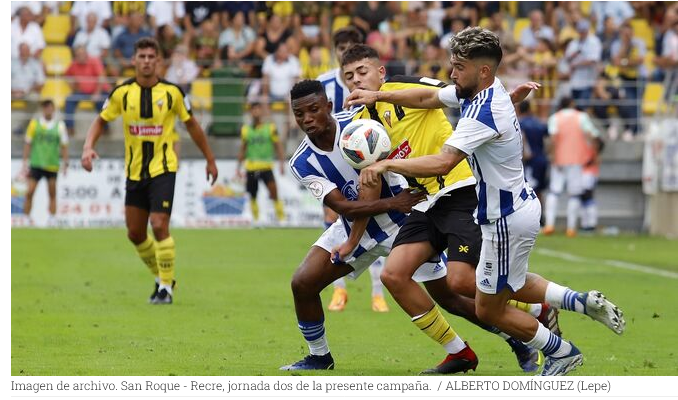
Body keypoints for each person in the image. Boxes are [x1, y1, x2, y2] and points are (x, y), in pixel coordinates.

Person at [346, 27, 625, 376]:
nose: (451, 73)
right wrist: (379, 98)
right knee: (498, 284)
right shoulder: (482, 93)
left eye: (458, 67)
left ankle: (562, 352)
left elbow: (444, 162)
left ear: (482, 71)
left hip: (504, 215)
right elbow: (427, 99)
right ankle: (578, 302)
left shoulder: (481, 111)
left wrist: (387, 163)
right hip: (505, 211)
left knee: (487, 306)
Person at [340, 44, 556, 373]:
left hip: (460, 188)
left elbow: (463, 95)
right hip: (424, 202)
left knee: (462, 283)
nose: (356, 80)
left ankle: (536, 311)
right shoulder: (357, 127)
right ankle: (460, 352)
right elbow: (369, 183)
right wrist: (353, 239)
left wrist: (506, 101)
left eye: (362, 72)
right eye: (349, 77)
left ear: (381, 72)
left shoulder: (403, 85)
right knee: (394, 276)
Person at [282, 79, 471, 372]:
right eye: (299, 114)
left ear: (329, 107)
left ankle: (516, 333)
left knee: (451, 296)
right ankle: (319, 356)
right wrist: (392, 203)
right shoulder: (302, 161)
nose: (307, 119)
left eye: (314, 110)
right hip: (354, 227)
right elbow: (341, 206)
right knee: (302, 283)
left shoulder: (359, 122)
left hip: (403, 225)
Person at [80, 37, 218, 305]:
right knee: (135, 233)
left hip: (163, 169)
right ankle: (163, 277)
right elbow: (100, 121)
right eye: (141, 56)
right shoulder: (121, 93)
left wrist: (210, 159)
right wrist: (87, 147)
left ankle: (165, 289)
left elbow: (192, 126)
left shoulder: (173, 93)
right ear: (134, 61)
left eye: (150, 57)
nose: (145, 61)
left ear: (158, 61)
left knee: (158, 224)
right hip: (134, 172)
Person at [317, 26, 389, 313]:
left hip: (372, 160)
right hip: (338, 166)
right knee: (335, 222)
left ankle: (377, 293)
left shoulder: (376, 84)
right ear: (335, 51)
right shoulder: (323, 83)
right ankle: (339, 292)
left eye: (351, 45)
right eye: (340, 46)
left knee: (379, 222)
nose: (344, 50)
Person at [543, 97, 601, 237]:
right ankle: (571, 227)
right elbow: (593, 135)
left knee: (554, 192)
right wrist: (594, 154)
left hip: (559, 160)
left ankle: (550, 224)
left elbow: (552, 138)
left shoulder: (555, 118)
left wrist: (552, 156)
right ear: (572, 104)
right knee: (574, 194)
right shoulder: (581, 117)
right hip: (577, 160)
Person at [236, 102, 286, 223]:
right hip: (251, 167)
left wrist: (281, 163)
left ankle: (282, 219)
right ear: (250, 112)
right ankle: (256, 219)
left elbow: (278, 146)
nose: (256, 112)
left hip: (266, 166)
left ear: (261, 112)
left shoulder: (270, 128)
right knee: (252, 195)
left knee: (274, 192)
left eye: (258, 109)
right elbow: (243, 148)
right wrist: (238, 166)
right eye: (253, 110)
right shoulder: (245, 130)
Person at [22, 100, 69, 225]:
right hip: (36, 163)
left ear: (53, 109)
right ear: (42, 109)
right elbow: (28, 143)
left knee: (52, 192)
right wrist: (24, 161)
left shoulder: (60, 126)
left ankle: (52, 218)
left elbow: (64, 146)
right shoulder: (34, 124)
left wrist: (65, 163)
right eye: (45, 107)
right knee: (29, 192)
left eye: (50, 107)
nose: (48, 109)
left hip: (52, 164)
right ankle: (26, 218)